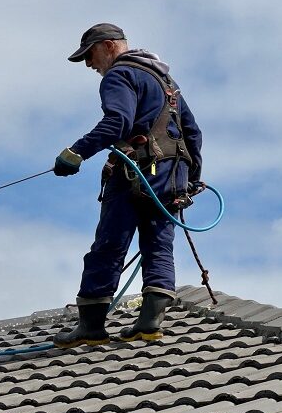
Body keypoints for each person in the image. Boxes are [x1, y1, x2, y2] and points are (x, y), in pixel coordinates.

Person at [52, 23, 203, 348]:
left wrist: (76, 152)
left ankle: (91, 327)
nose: (90, 65)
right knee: (158, 242)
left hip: (138, 171)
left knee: (110, 242)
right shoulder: (167, 83)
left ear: (108, 46)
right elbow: (192, 133)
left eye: (89, 55)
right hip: (173, 174)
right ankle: (149, 322)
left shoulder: (119, 75)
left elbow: (117, 121)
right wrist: (189, 181)